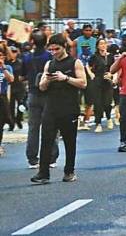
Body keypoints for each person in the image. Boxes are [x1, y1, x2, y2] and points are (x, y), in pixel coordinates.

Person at [31, 34, 87, 184]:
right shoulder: (49, 64)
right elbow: (42, 87)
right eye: (51, 50)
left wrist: (66, 78)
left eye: (57, 49)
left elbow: (83, 83)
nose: (54, 52)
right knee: (46, 141)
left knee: (70, 142)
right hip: (51, 108)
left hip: (69, 109)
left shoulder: (75, 63)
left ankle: (69, 171)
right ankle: (43, 173)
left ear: (64, 47)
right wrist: (47, 80)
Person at [23, 30, 59, 168]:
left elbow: (22, 76)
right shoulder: (50, 57)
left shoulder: (27, 57)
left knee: (33, 128)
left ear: (32, 41)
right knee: (52, 126)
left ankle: (32, 158)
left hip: (33, 93)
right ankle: (52, 157)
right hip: (49, 94)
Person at [88, 38, 115, 132]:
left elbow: (114, 68)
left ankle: (109, 118)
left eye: (104, 44)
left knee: (107, 102)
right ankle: (98, 123)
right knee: (97, 103)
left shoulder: (110, 56)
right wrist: (91, 75)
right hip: (97, 80)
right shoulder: (94, 56)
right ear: (97, 46)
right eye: (101, 44)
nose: (103, 45)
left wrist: (112, 75)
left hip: (107, 81)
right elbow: (88, 66)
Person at [0, 48, 15, 157]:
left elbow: (11, 79)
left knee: (2, 121)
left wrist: (3, 67)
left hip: (2, 97)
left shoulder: (8, 67)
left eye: (1, 56)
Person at [7, 46, 25, 131]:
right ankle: (12, 123)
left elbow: (24, 73)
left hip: (19, 86)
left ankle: (19, 119)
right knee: (10, 106)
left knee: (21, 105)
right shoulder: (7, 63)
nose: (13, 54)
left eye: (15, 52)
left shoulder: (20, 62)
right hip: (10, 87)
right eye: (12, 52)